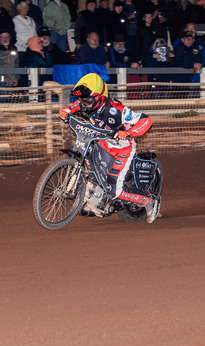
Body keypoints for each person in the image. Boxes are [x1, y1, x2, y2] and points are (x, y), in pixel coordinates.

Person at [58, 73, 160, 223]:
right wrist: (66, 111)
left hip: (122, 150)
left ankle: (149, 200)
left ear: (100, 97)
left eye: (88, 99)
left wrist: (128, 133)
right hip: (103, 144)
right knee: (88, 162)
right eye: (82, 99)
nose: (84, 103)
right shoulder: (86, 103)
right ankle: (92, 197)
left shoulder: (116, 110)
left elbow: (146, 120)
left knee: (114, 190)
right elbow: (76, 106)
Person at [13, 1, 37, 66]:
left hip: (31, 49)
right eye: (22, 8)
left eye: (26, 7)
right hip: (21, 49)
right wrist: (26, 43)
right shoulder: (15, 20)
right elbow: (16, 35)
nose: (24, 9)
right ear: (19, 9)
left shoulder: (31, 20)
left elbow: (35, 33)